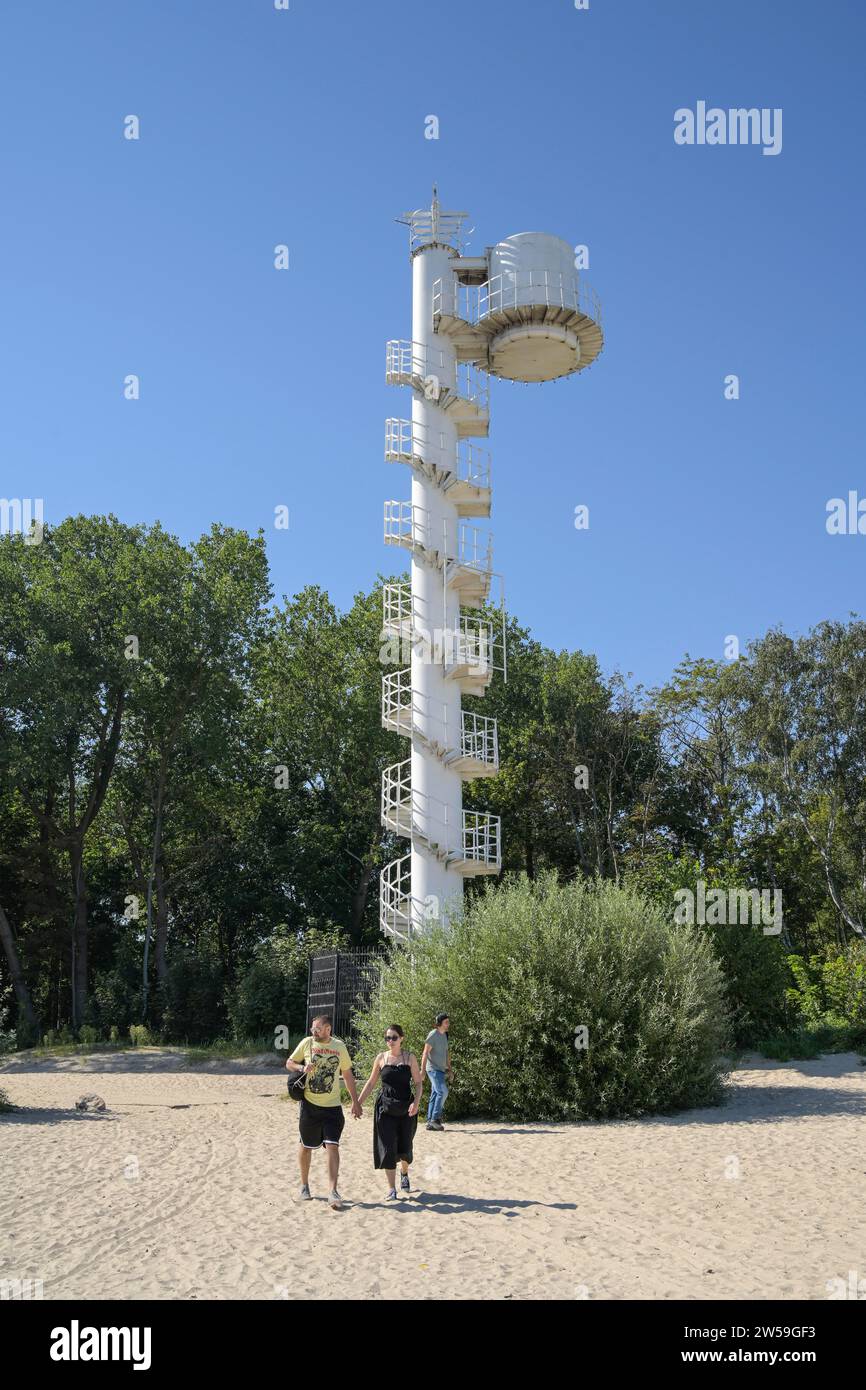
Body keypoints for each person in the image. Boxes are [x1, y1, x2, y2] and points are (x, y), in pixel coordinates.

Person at [286, 1014, 362, 1211]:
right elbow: (289, 1063)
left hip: (332, 1108)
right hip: (309, 1106)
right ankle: (304, 1185)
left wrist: (355, 1101)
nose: (314, 1032)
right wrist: (302, 1067)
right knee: (306, 1146)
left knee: (332, 1145)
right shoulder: (306, 1043)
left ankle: (333, 1191)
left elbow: (347, 1074)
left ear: (328, 1029)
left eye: (317, 1028)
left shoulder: (339, 1047)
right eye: (313, 1028)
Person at [357, 1024, 423, 1202]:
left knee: (404, 1147)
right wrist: (357, 1103)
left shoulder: (410, 1058)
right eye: (388, 1038)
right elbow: (371, 1083)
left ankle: (404, 1172)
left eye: (394, 1037)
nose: (390, 1041)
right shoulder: (381, 1058)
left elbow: (418, 1084)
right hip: (384, 1109)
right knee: (387, 1148)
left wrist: (416, 1104)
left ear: (402, 1038)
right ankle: (391, 1189)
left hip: (406, 1109)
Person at [420, 1013, 451, 1131]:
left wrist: (450, 1069)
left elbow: (446, 1054)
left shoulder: (444, 1035)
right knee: (442, 1092)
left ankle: (429, 1122)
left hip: (441, 1070)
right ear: (440, 1024)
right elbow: (425, 1052)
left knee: (435, 1094)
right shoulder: (433, 1034)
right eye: (446, 1022)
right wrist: (422, 1070)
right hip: (432, 1069)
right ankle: (435, 1119)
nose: (448, 1024)